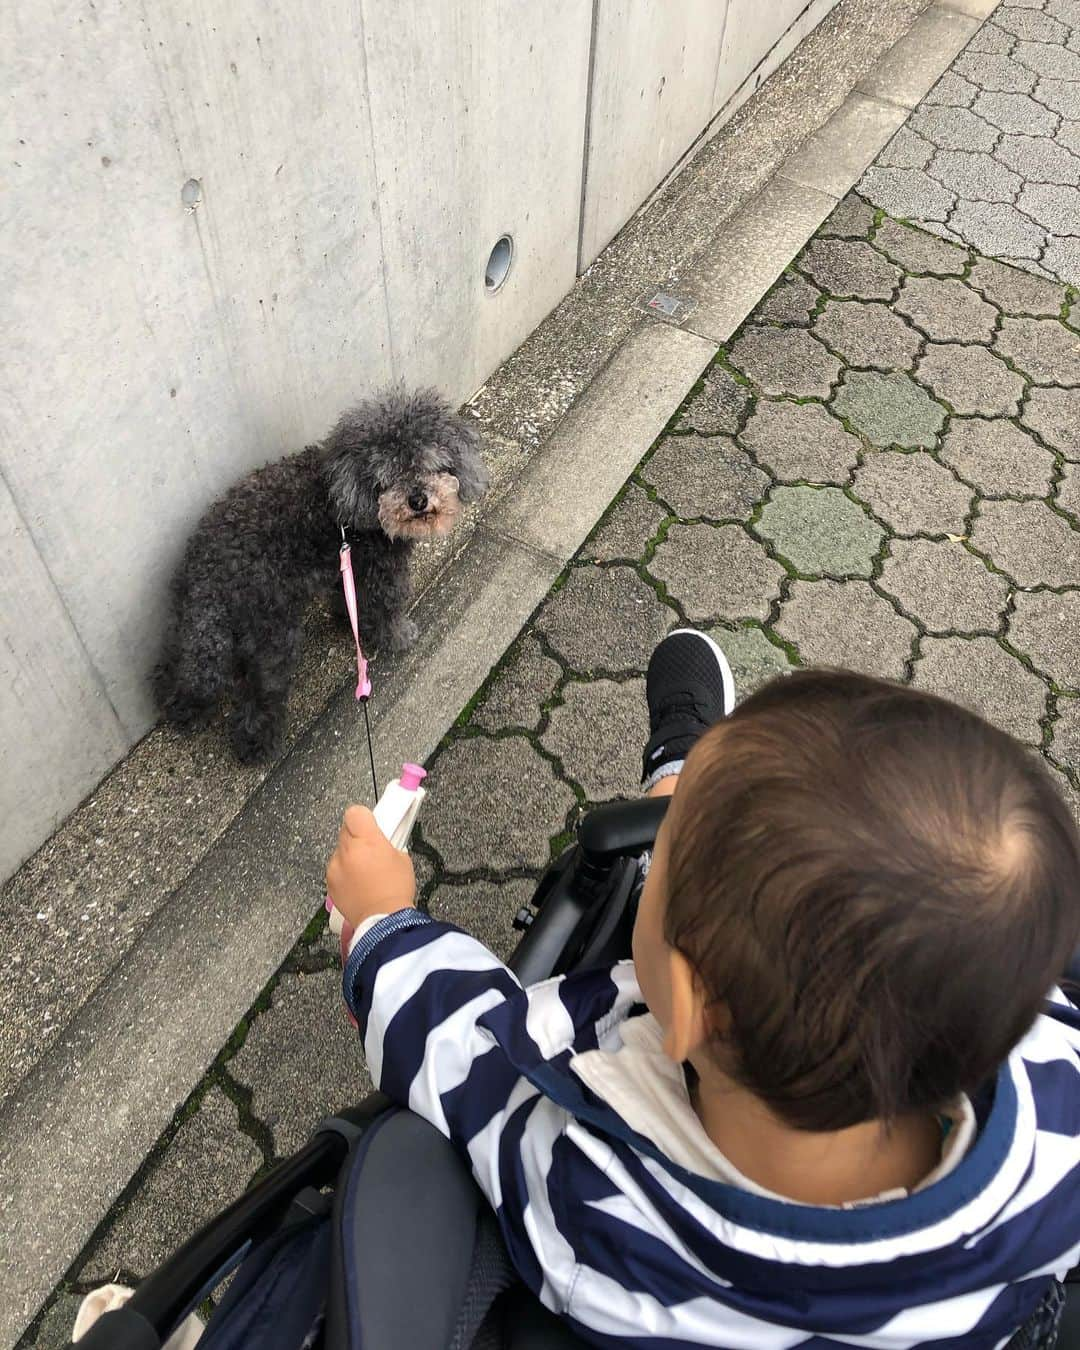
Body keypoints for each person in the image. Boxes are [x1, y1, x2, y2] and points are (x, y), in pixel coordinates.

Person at [326, 629, 1080, 1348]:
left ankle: (679, 785)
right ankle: (693, 790)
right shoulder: (1055, 1097)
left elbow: (462, 1055)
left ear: (681, 1007)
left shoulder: (599, 1209)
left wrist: (382, 923)